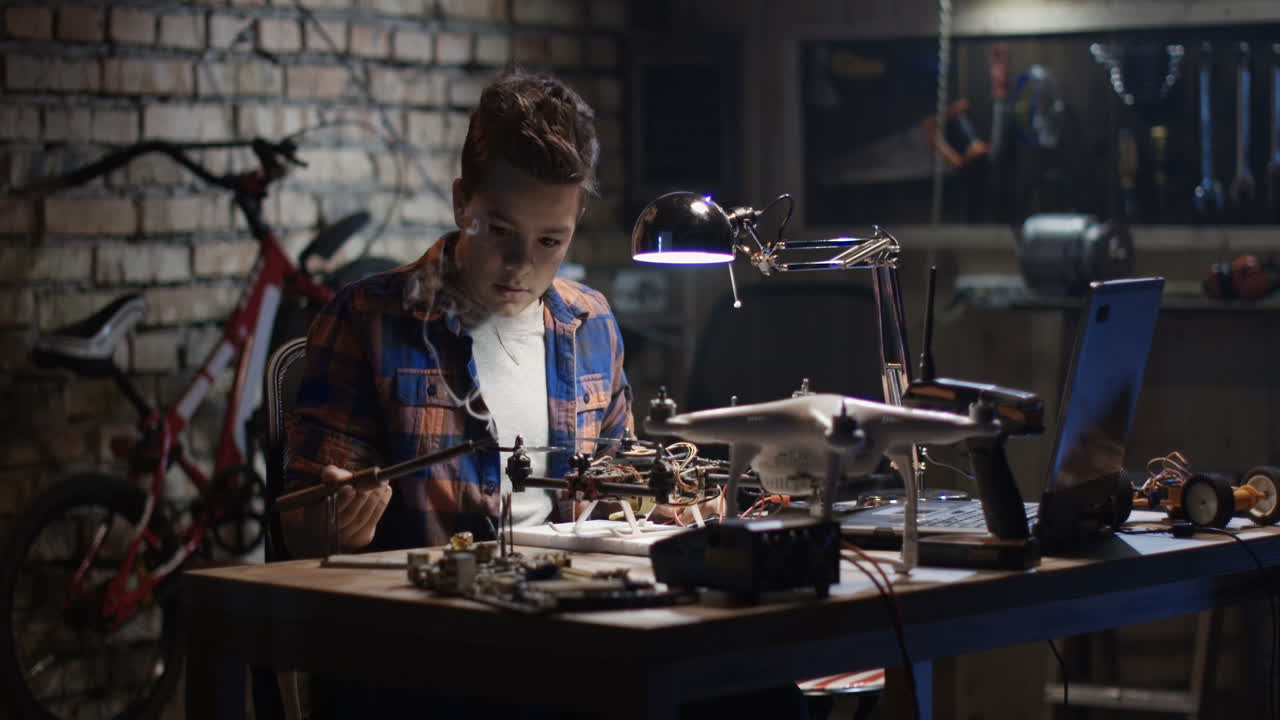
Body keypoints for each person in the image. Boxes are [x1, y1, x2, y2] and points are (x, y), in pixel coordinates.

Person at [282, 69, 631, 558]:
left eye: (550, 241)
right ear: (461, 203)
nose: (521, 264)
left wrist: (673, 501)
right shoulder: (367, 319)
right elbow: (303, 529)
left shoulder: (592, 323)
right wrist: (338, 524)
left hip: (569, 593)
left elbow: (621, 492)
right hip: (427, 598)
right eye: (501, 231)